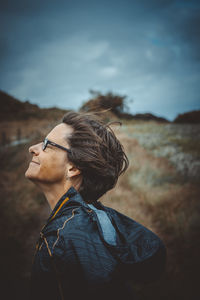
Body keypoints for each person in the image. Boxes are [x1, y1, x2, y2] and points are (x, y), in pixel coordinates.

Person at [25, 111, 166, 300]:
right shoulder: (96, 219)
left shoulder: (61, 240)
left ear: (73, 168)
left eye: (47, 145)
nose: (33, 148)